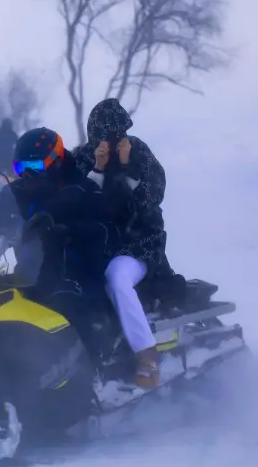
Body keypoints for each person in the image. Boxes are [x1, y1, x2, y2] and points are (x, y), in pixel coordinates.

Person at [0, 127, 124, 363]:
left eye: (34, 168)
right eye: (20, 168)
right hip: (31, 275)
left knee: (69, 306)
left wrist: (66, 231)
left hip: (77, 273)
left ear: (55, 162)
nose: (26, 175)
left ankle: (95, 370)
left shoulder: (82, 190)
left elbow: (108, 232)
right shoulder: (15, 193)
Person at [69, 98, 179, 389]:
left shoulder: (140, 153)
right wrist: (99, 169)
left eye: (116, 134)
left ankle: (146, 356)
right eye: (102, 135)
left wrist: (128, 169)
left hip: (137, 243)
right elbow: (75, 201)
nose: (109, 141)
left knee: (117, 279)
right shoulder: (83, 158)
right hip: (93, 246)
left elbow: (149, 202)